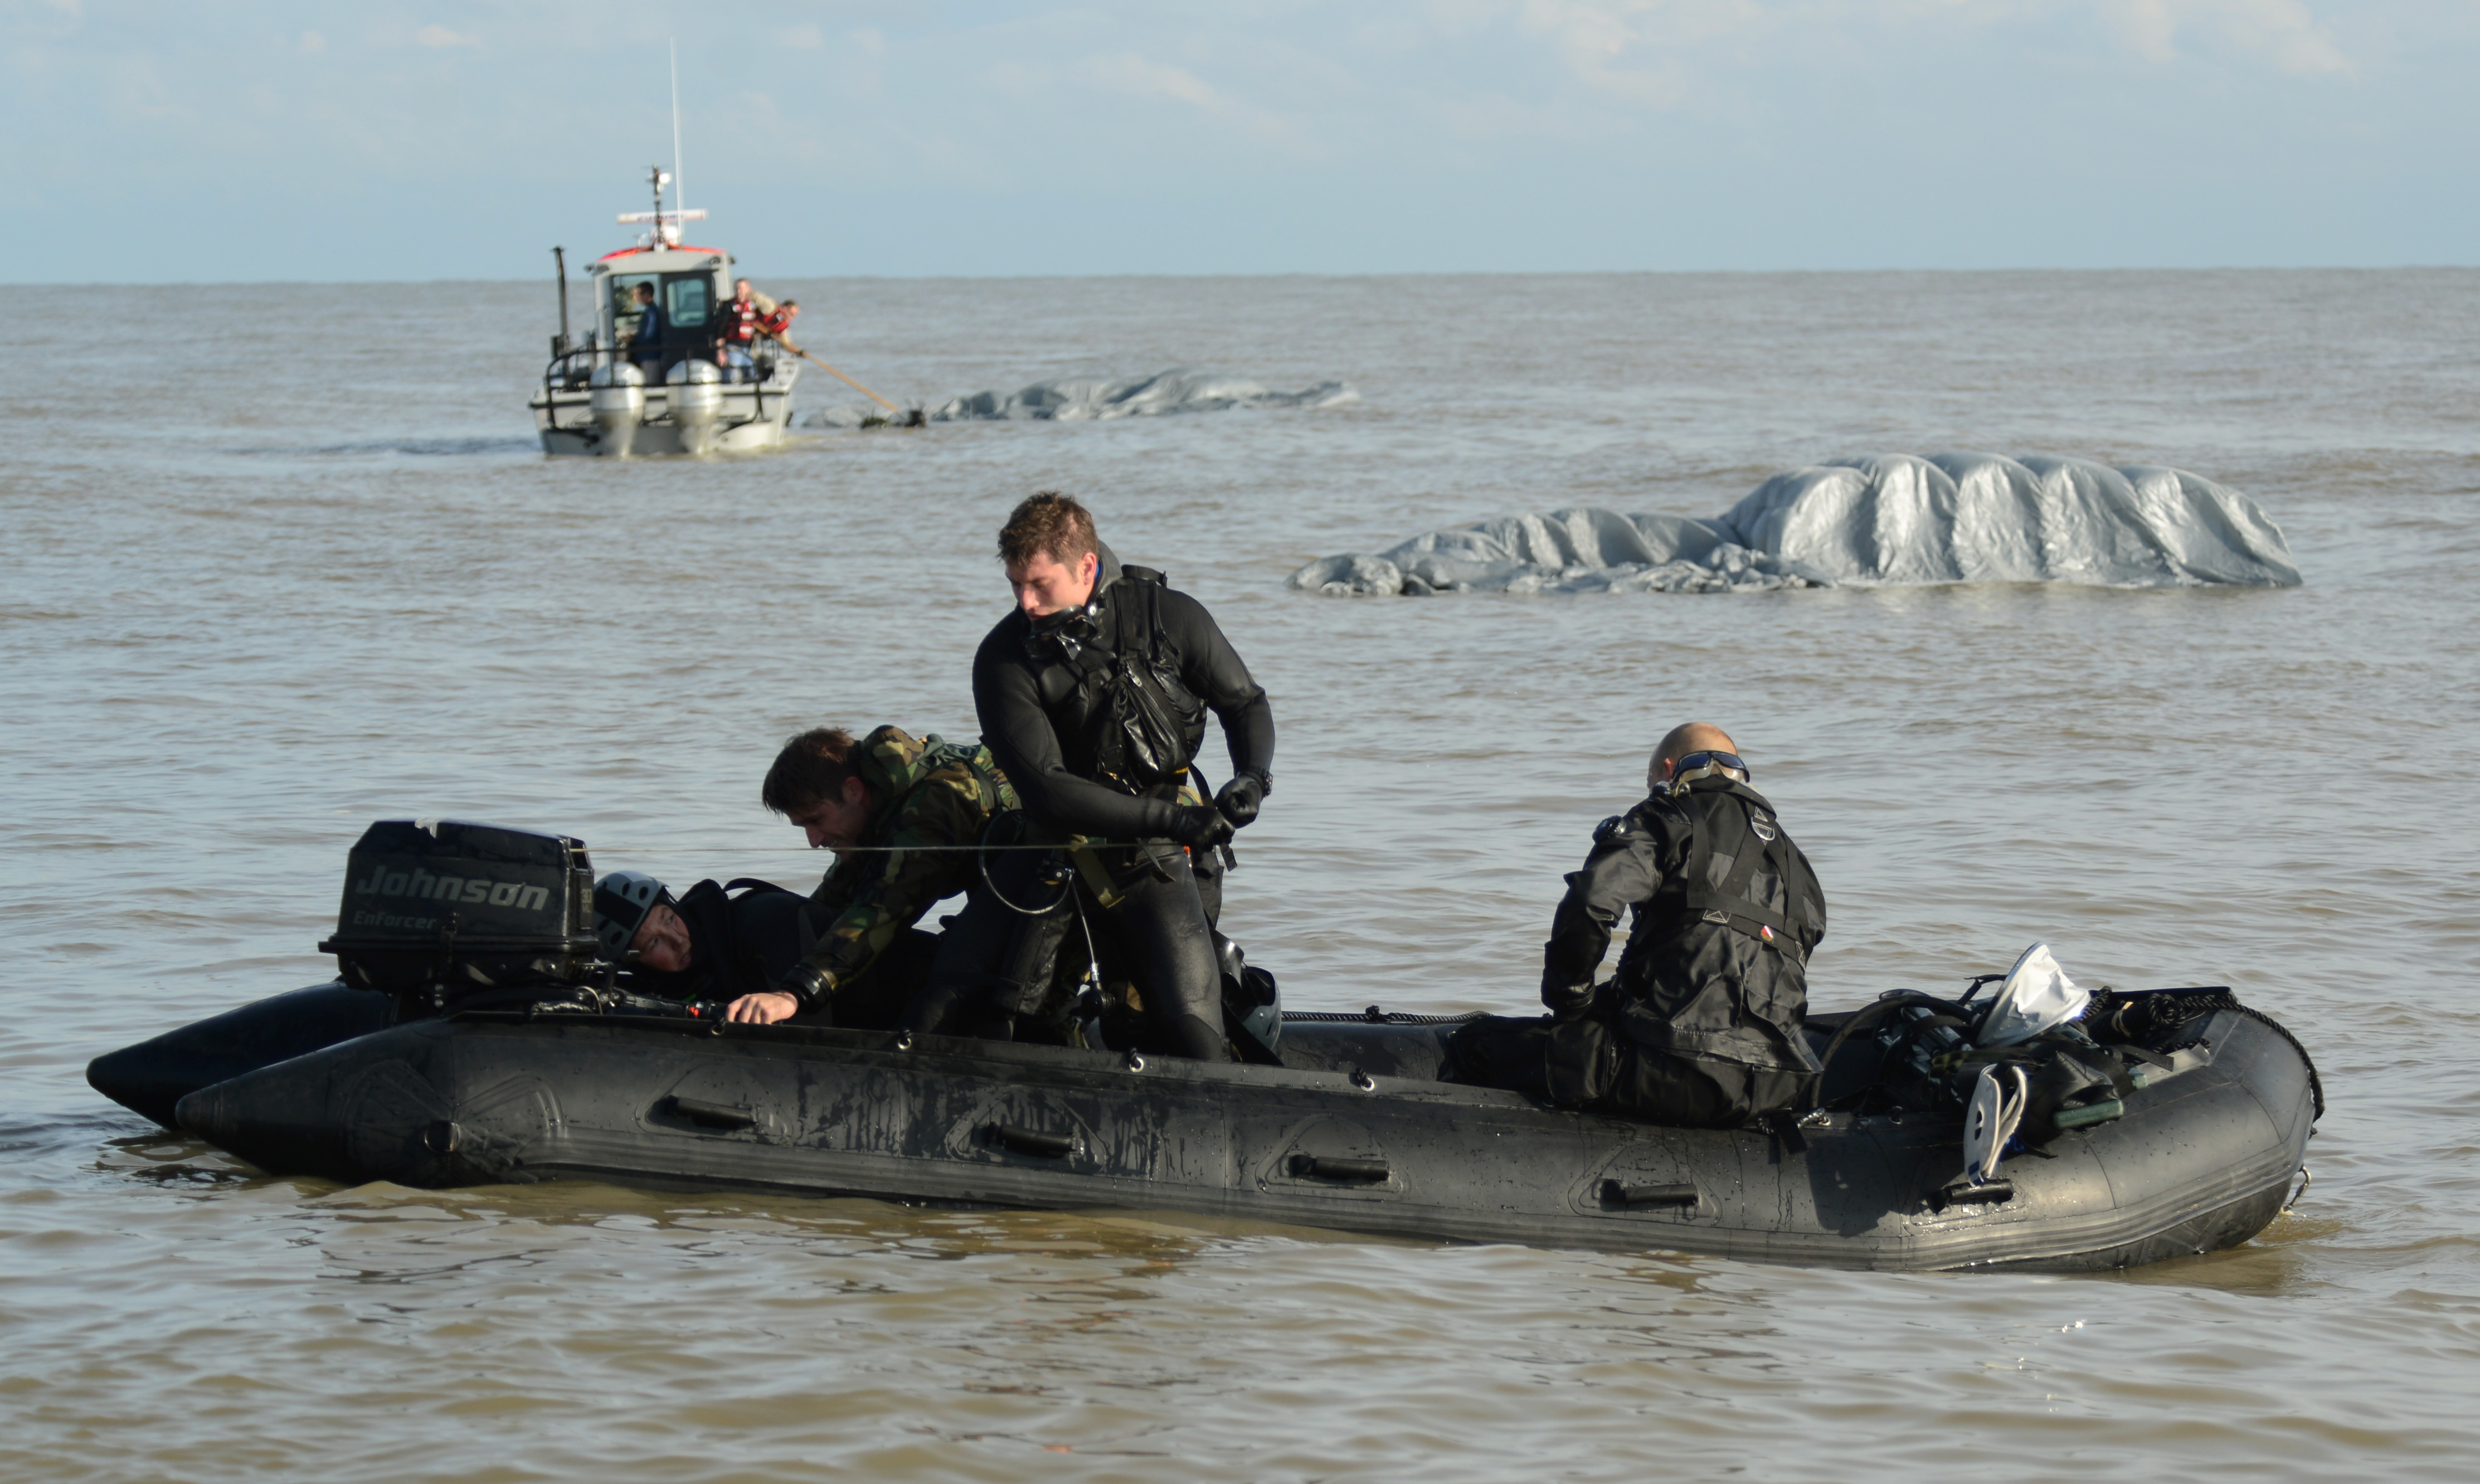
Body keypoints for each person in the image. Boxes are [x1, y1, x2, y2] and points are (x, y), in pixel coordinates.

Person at [903, 492, 1275, 1061]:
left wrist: (1251, 778)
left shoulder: (1170, 615)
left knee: (1192, 1034)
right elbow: (1047, 787)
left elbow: (1244, 701)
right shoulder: (1002, 658)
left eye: (1039, 584)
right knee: (945, 1000)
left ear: (1086, 565)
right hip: (1053, 842)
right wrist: (1177, 818)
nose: (1025, 602)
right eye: (1014, 585)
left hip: (1154, 855)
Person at [1447, 723, 1827, 1127]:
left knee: (1475, 1046)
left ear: (1666, 770)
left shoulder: (1668, 815)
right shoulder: (1798, 864)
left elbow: (1591, 900)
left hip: (1672, 1067)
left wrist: (1571, 999)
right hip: (1776, 1085)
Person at [724, 724, 1021, 1029]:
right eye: (804, 827)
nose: (814, 841)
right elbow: (833, 906)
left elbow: (884, 910)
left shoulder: (935, 803)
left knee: (946, 994)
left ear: (853, 790)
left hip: (1050, 908)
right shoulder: (876, 804)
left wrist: (794, 995)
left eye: (816, 820)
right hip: (1004, 900)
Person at [592, 870, 807, 1007]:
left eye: (669, 920)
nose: (676, 940)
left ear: (676, 906)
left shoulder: (767, 923)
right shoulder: (665, 987)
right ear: (637, 966)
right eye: (654, 943)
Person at [717, 278, 770, 382]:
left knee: (752, 374)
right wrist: (720, 352)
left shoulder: (754, 307)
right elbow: (720, 332)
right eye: (737, 288)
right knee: (732, 376)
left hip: (749, 348)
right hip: (733, 348)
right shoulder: (728, 306)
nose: (739, 291)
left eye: (741, 288)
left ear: (748, 289)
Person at [626, 281, 667, 378]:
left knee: (650, 384)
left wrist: (633, 338)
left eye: (639, 294)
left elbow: (648, 335)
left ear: (647, 294)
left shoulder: (651, 312)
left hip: (650, 355)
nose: (638, 298)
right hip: (650, 355)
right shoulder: (652, 310)